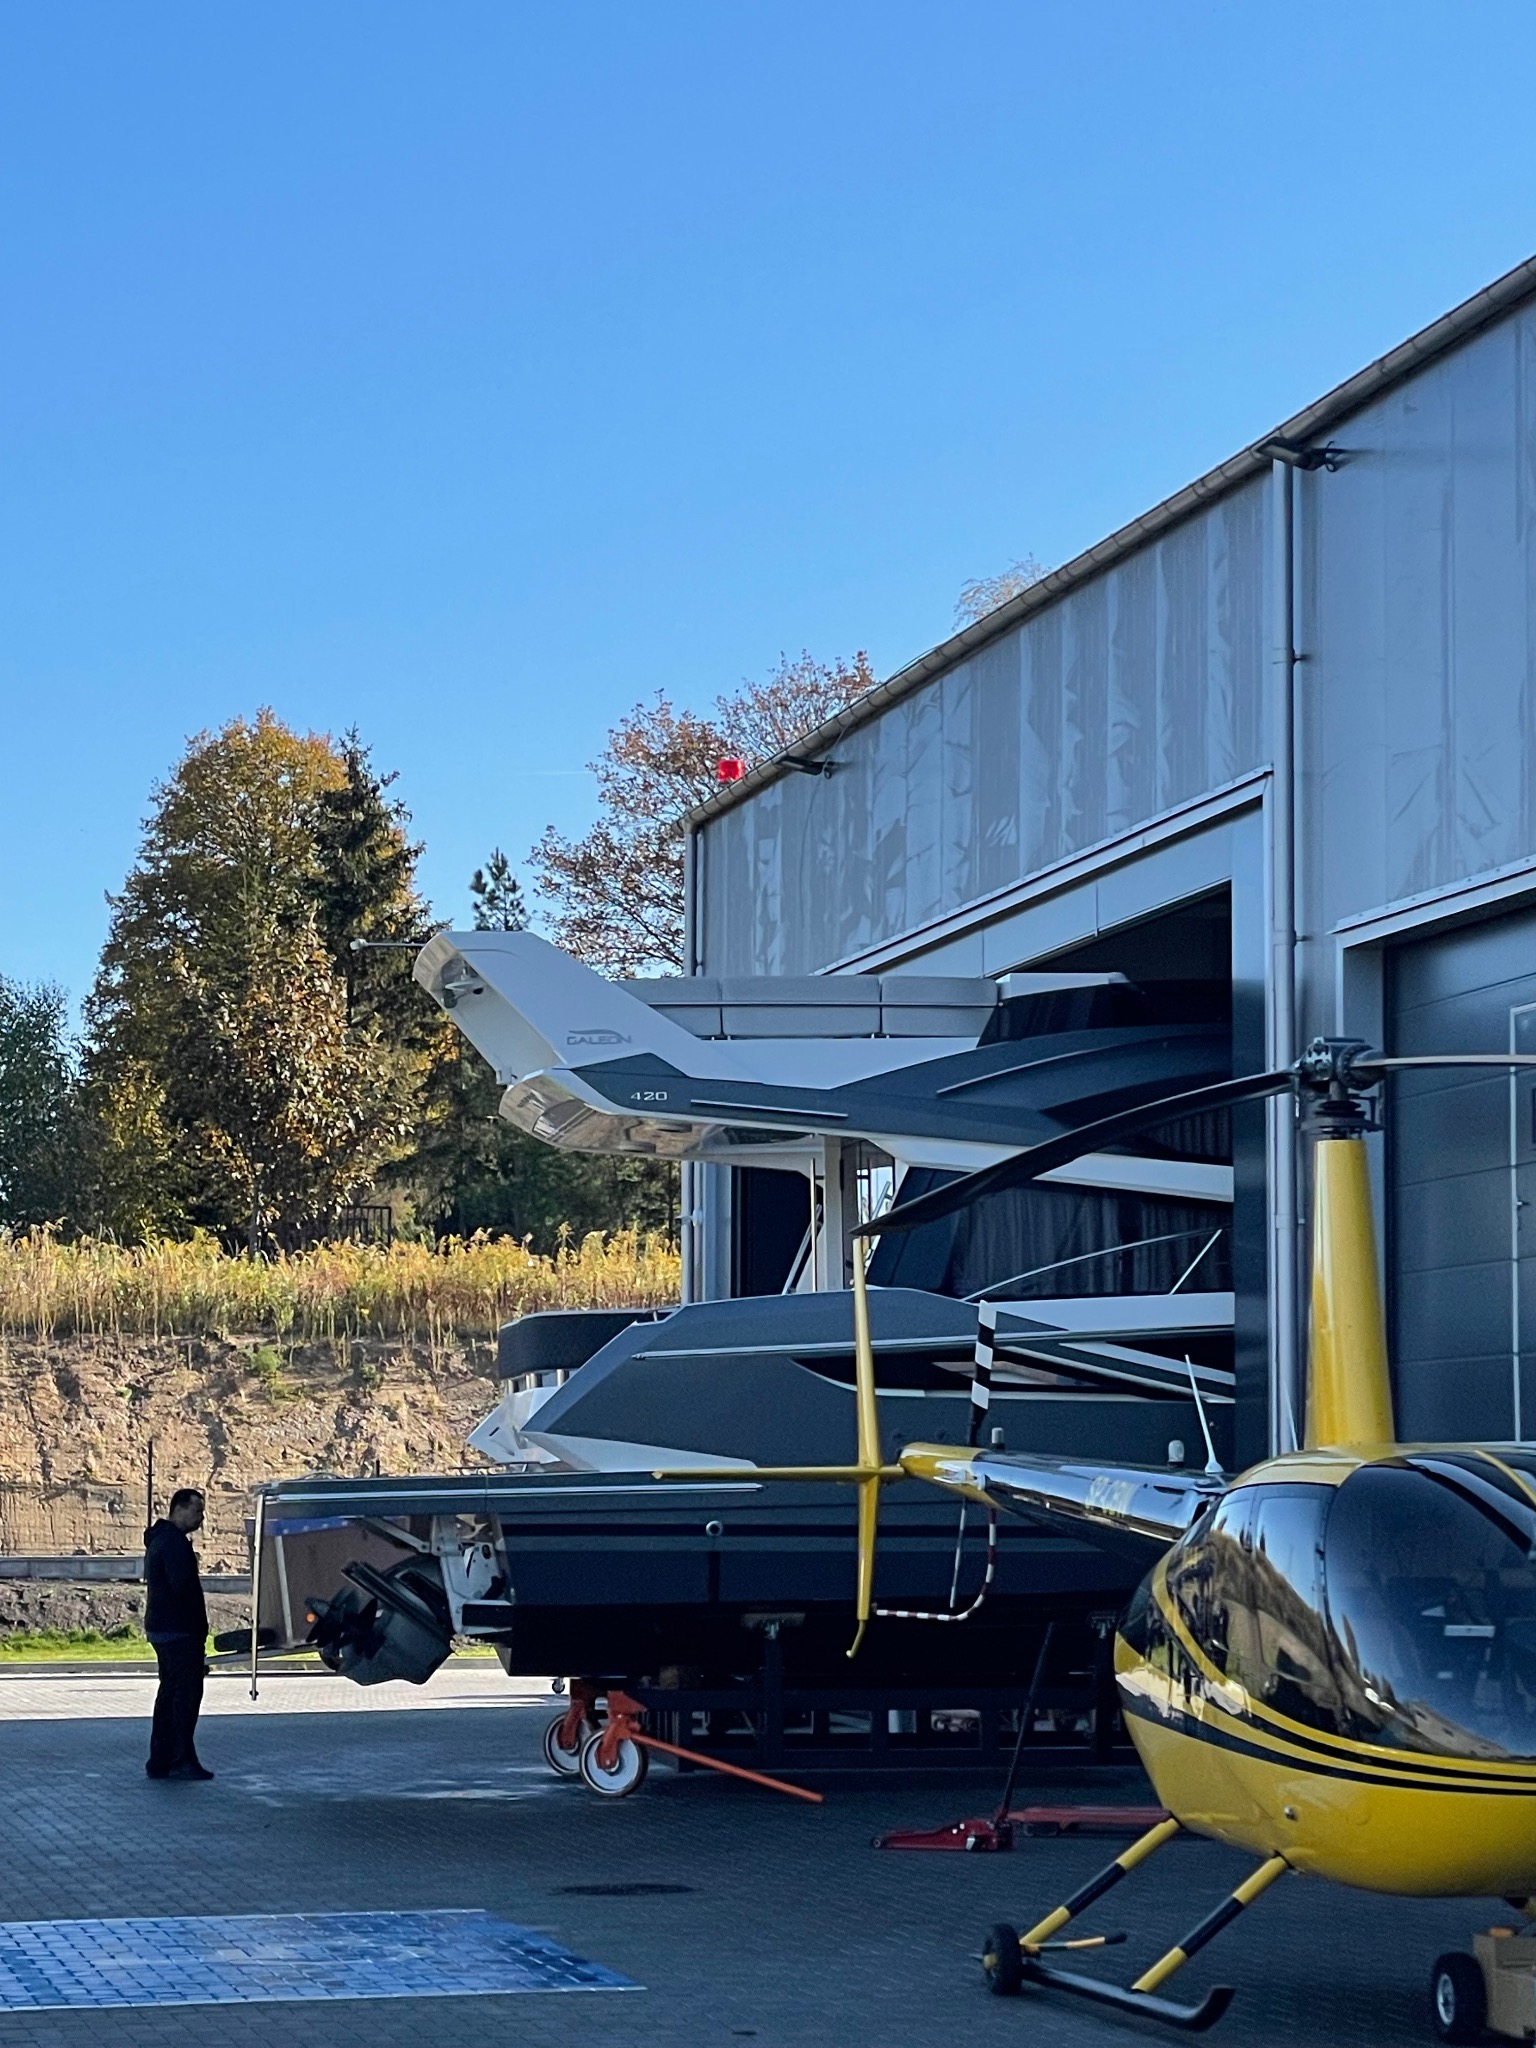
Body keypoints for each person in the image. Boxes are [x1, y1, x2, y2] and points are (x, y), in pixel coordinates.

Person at [143, 1486, 213, 1781]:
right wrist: (197, 1630)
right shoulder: (173, 1543)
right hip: (178, 1631)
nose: (201, 1518)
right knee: (184, 1698)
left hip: (164, 1628)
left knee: (169, 1694)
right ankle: (180, 1759)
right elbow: (183, 1590)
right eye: (197, 1511)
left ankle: (160, 1760)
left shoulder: (161, 1539)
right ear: (179, 1508)